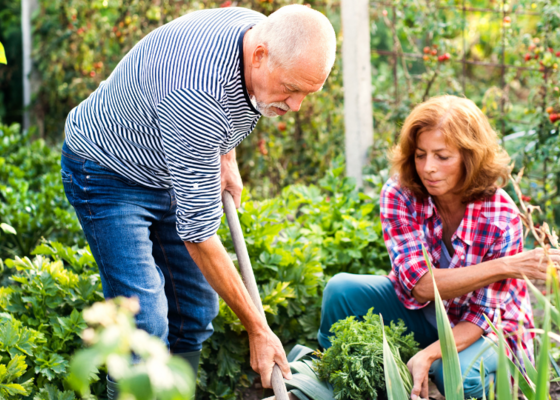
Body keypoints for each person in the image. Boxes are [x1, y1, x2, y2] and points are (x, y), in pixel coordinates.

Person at [60, 5, 336, 397]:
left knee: (195, 309)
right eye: (291, 90)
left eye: (308, 94)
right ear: (260, 55)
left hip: (166, 163)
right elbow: (199, 236)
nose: (296, 107)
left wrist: (226, 155)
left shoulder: (256, 32)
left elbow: (236, 104)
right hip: (107, 173)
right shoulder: (196, 98)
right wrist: (258, 329)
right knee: (145, 324)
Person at [318, 95, 560, 399]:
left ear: (469, 158)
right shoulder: (401, 193)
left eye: (442, 156)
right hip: (423, 312)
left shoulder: (501, 215)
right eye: (420, 155)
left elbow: (481, 316)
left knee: (456, 374)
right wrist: (506, 266)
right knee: (341, 292)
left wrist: (429, 355)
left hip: (486, 333)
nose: (428, 168)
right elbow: (419, 285)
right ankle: (350, 390)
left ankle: (501, 388)